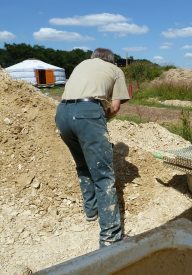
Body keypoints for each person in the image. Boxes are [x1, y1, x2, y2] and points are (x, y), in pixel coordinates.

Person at [55, 48, 130, 248]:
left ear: (93, 58)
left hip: (62, 113)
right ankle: (111, 237)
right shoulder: (115, 70)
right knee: (104, 176)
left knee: (82, 166)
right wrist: (98, 122)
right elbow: (114, 107)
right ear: (111, 60)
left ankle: (91, 212)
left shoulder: (81, 65)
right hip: (88, 112)